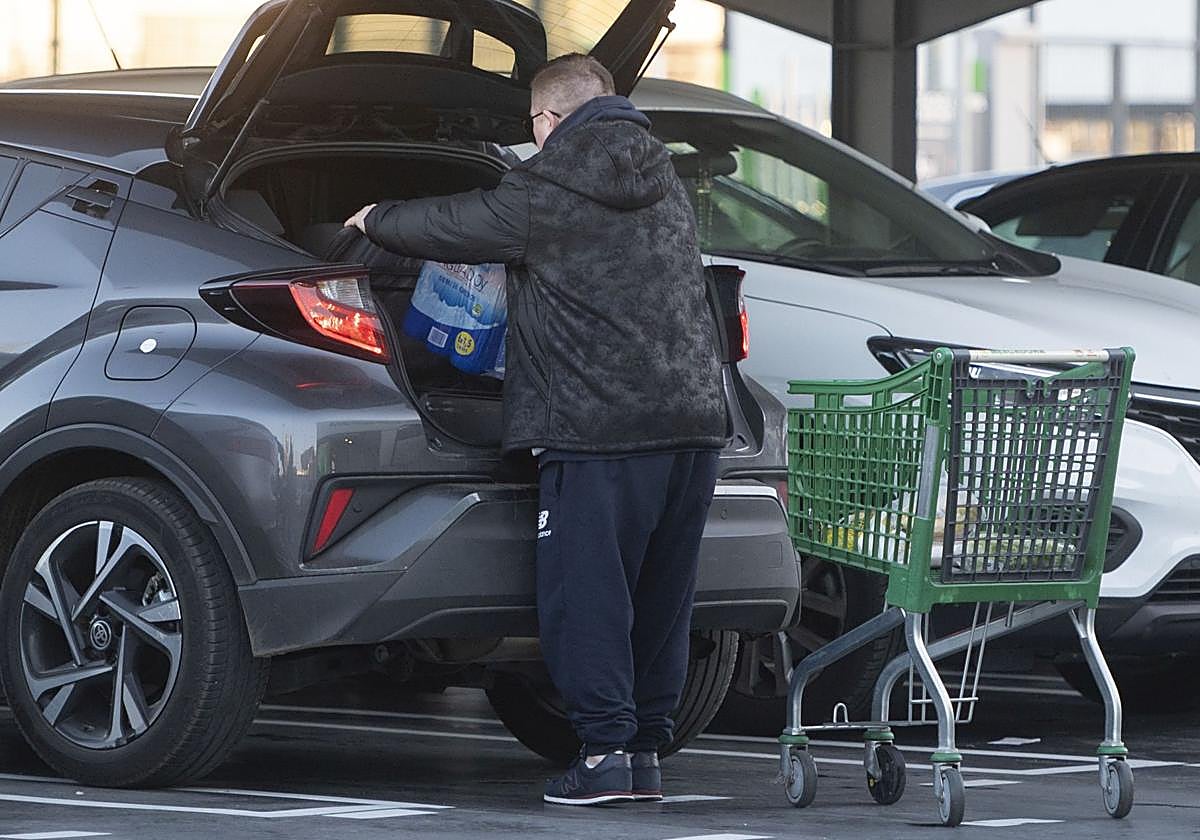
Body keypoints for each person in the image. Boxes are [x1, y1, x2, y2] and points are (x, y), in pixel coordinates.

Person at [346, 53, 727, 806]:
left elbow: (459, 223)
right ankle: (643, 750)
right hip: (692, 422)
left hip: (599, 426)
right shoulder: (662, 179)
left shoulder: (550, 185)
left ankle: (605, 755)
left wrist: (373, 219)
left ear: (545, 121)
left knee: (586, 596)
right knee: (660, 598)